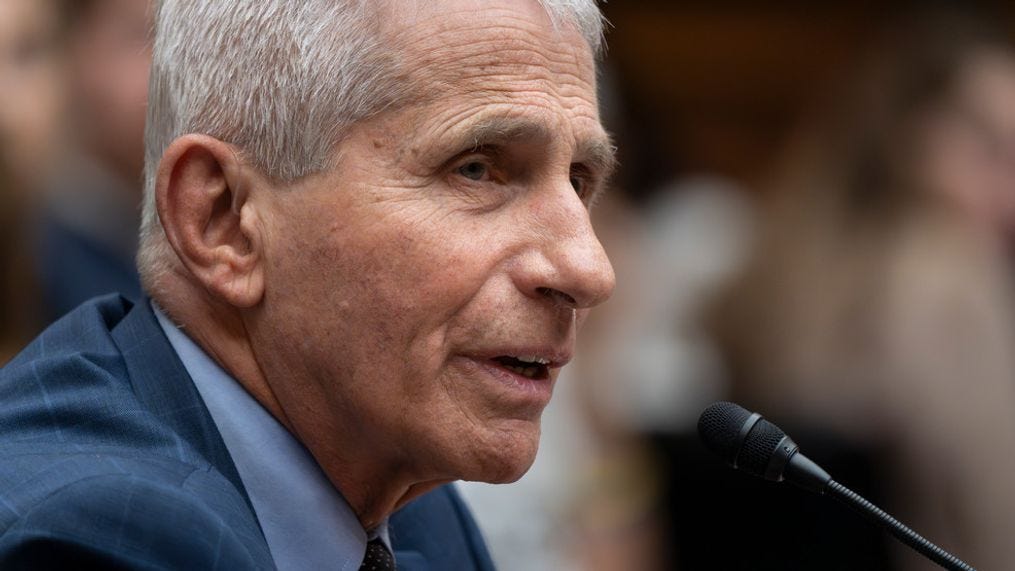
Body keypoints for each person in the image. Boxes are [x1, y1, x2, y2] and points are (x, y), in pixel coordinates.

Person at [0, 0, 615, 569]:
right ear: (222, 221)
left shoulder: (409, 498)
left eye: (580, 180)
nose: (590, 271)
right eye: (476, 169)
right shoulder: (101, 535)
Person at [709, 11, 1015, 570]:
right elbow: (998, 524)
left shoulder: (773, 266)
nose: (1011, 194)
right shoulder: (948, 278)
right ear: (912, 134)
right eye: (993, 151)